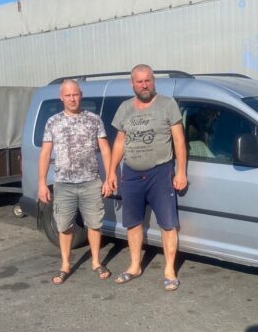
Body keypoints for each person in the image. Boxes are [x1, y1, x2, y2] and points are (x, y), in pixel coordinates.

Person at [107, 64, 187, 291]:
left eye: (148, 80)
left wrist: (181, 171)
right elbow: (119, 142)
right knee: (133, 223)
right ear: (132, 84)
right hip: (131, 173)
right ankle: (134, 266)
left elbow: (179, 140)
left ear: (154, 81)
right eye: (140, 81)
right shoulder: (125, 108)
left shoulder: (167, 104)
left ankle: (169, 271)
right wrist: (112, 170)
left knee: (168, 224)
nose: (144, 85)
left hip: (160, 172)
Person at [38, 79, 112, 284]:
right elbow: (45, 154)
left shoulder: (94, 120)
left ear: (81, 95)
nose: (72, 99)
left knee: (94, 224)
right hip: (63, 184)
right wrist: (42, 183)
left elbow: (105, 149)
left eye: (75, 94)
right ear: (61, 97)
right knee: (64, 226)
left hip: (91, 182)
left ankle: (96, 262)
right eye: (68, 95)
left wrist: (109, 178)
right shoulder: (53, 122)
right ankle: (65, 264)